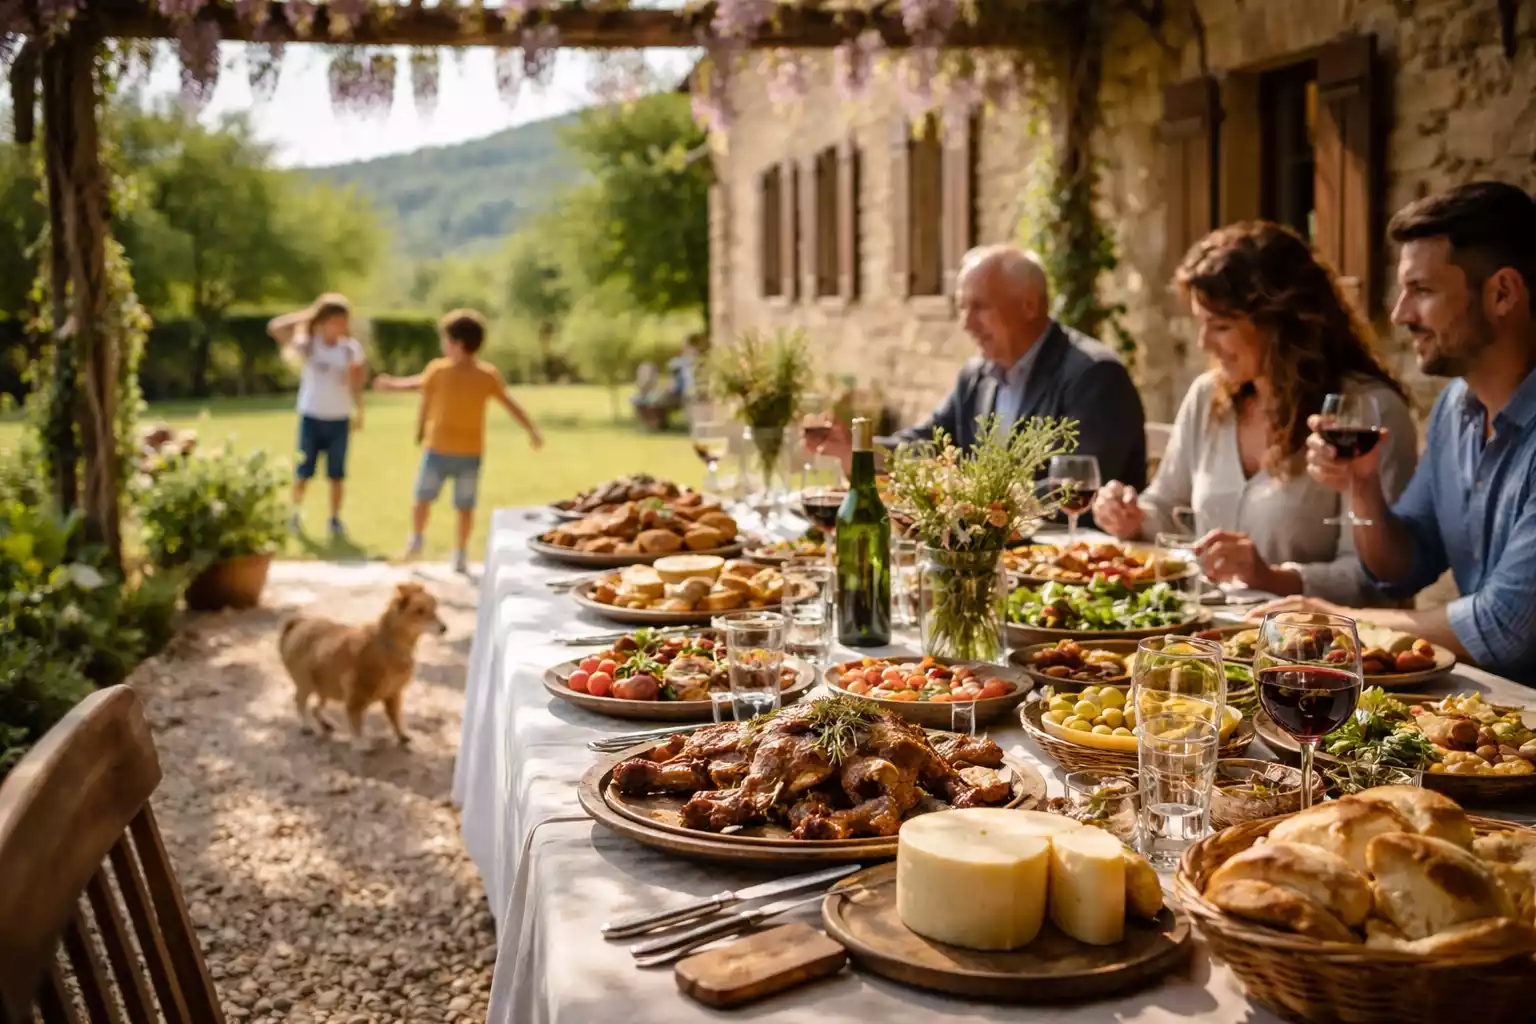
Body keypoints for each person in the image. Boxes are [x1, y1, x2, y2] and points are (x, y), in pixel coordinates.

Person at [1256, 181, 1536, 683]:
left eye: (1422, 290)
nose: (1399, 314)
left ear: (1502, 293)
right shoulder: (1457, 407)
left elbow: (1505, 631)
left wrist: (1339, 623)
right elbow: (1403, 566)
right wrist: (1362, 490)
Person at [1092, 222, 1418, 604]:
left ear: (1280, 324)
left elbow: (1376, 579)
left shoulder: (1365, 412)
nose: (1204, 343)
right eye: (1201, 324)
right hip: (1211, 635)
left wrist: (1270, 577)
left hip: (1315, 649)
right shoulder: (1207, 398)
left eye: (1221, 326)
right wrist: (1130, 515)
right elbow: (1165, 506)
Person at [815, 245, 1147, 491]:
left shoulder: (1094, 376)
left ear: (1029, 305)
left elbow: (1074, 491)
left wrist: (966, 495)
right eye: (962, 307)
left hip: (1070, 567)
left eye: (980, 307)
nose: (966, 324)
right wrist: (858, 452)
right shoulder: (976, 376)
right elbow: (926, 444)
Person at [374, 309, 544, 574]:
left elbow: (509, 403)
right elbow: (419, 386)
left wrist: (531, 429)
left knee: (465, 507)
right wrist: (393, 385)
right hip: (437, 449)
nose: (443, 345)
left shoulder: (486, 375)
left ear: (457, 343)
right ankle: (416, 540)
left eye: (445, 339)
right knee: (422, 499)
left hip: (469, 454)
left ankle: (460, 553)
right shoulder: (438, 370)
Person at [267, 294, 366, 539]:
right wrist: (311, 314)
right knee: (303, 472)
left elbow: (357, 383)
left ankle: (334, 519)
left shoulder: (350, 349)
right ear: (325, 321)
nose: (343, 327)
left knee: (336, 474)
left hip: (339, 418)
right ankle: (295, 513)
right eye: (337, 321)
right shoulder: (309, 344)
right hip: (312, 416)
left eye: (345, 321)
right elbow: (275, 328)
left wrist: (359, 411)